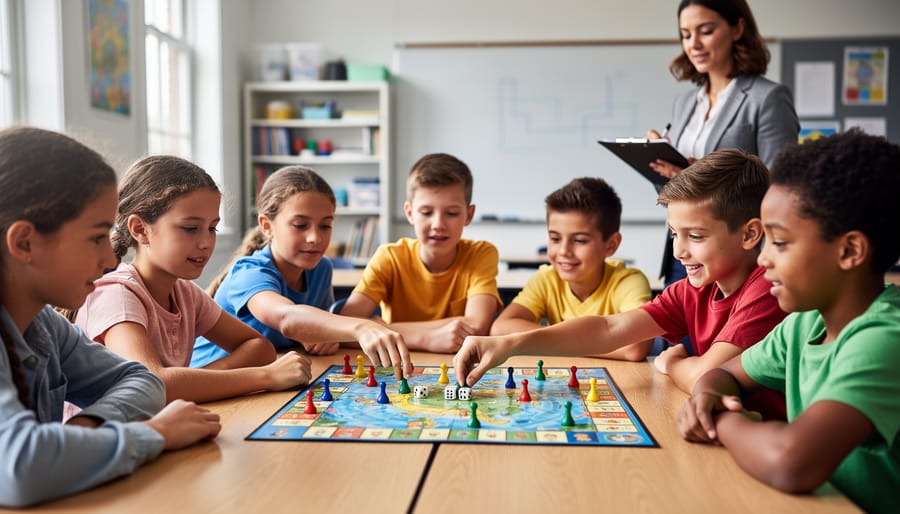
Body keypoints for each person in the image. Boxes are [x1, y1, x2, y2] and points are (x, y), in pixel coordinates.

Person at [454, 149, 787, 419]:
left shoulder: (767, 289)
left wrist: (673, 363)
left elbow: (708, 377)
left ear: (749, 234)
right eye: (674, 233)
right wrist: (511, 345)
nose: (679, 250)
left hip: (767, 442)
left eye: (695, 236)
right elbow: (609, 328)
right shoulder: (692, 289)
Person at [677, 131, 900, 514]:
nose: (763, 260)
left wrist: (720, 420)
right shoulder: (804, 323)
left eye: (779, 243)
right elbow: (722, 376)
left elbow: (791, 462)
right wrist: (707, 394)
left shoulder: (884, 337)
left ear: (849, 251)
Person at [0, 126, 220, 507]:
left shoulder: (44, 325)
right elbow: (19, 468)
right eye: (96, 237)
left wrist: (91, 427)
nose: (109, 258)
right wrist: (157, 435)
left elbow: (142, 380)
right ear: (24, 243)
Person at [75, 156, 312, 404]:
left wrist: (190, 383)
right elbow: (151, 384)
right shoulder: (117, 295)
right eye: (190, 228)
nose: (206, 243)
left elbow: (258, 346)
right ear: (140, 229)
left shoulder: (185, 293)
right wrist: (265, 377)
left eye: (212, 228)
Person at [191, 166, 412, 376]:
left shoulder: (320, 268)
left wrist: (324, 338)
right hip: (210, 387)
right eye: (300, 225)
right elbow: (287, 319)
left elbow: (313, 331)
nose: (315, 237)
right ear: (267, 226)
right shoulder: (249, 273)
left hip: (259, 384)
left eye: (325, 225)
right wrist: (361, 326)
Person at [648, 0, 799, 286]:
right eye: (686, 34)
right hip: (682, 253)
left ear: (738, 28)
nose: (694, 44)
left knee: (729, 333)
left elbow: (779, 187)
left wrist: (701, 180)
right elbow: (673, 191)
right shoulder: (685, 103)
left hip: (737, 258)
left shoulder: (767, 98)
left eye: (705, 31)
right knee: (672, 332)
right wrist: (657, 164)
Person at [340, 153, 502, 353]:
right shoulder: (390, 257)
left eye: (451, 213)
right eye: (426, 213)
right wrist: (427, 338)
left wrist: (381, 329)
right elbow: (345, 328)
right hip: (397, 368)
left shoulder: (481, 254)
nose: (438, 225)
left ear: (468, 215)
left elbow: (477, 327)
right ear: (410, 213)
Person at [490, 177, 652, 361]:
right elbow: (500, 328)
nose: (564, 251)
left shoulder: (628, 282)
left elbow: (634, 347)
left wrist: (548, 342)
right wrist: (573, 343)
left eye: (579, 240)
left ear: (611, 245)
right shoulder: (546, 279)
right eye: (555, 239)